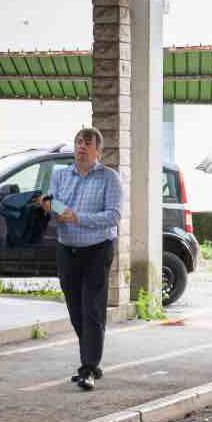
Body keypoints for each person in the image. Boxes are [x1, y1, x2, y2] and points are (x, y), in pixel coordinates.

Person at [40, 127, 123, 392]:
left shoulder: (110, 178)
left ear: (98, 150)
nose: (81, 147)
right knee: (76, 310)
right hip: (67, 249)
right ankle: (91, 360)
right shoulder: (61, 174)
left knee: (92, 309)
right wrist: (49, 206)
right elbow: (54, 203)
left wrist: (78, 218)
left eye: (87, 143)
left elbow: (113, 216)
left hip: (97, 249)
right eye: (78, 142)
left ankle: (88, 367)